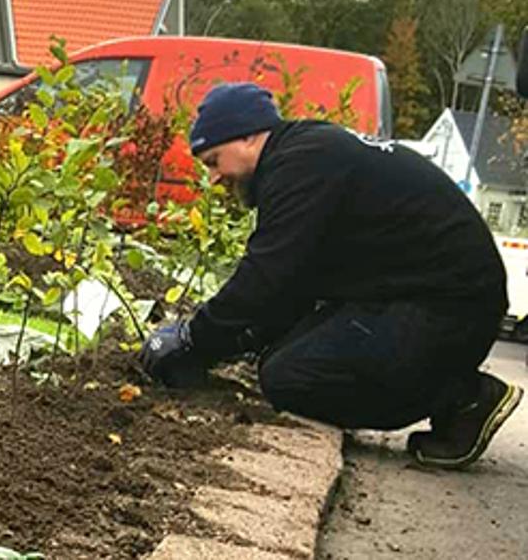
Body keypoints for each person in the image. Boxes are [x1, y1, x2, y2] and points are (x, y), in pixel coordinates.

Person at [142, 82, 522, 469]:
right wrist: (231, 342)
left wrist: (193, 338)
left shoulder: (301, 165)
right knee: (284, 356)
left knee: (291, 379)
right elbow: (295, 281)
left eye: (213, 160)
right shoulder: (304, 153)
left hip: (449, 306)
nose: (215, 178)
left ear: (248, 136)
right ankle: (446, 385)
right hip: (427, 294)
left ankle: (464, 398)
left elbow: (266, 275)